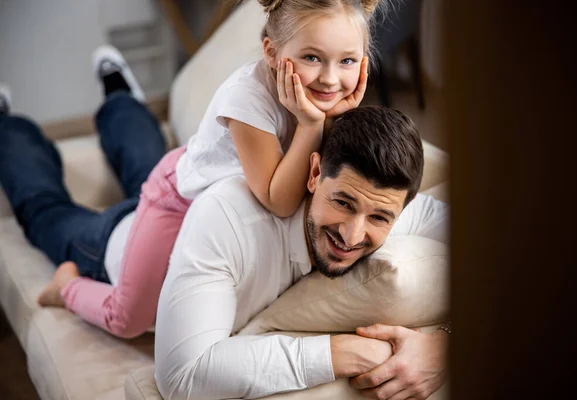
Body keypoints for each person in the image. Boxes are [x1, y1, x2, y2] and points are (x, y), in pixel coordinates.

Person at [29, 0, 383, 338]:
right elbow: (279, 201)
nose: (331, 79)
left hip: (215, 193)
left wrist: (334, 119)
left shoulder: (329, 99)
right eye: (311, 57)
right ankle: (67, 287)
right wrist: (312, 125)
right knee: (129, 317)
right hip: (178, 201)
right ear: (272, 52)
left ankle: (123, 103)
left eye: (348, 61)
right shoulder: (248, 99)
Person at [154, 105, 449, 400]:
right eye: (343, 203)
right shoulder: (226, 221)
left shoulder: (387, 205)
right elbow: (181, 378)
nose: (352, 235)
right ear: (315, 174)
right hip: (160, 221)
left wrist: (443, 345)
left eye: (379, 218)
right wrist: (342, 352)